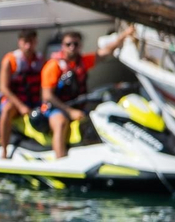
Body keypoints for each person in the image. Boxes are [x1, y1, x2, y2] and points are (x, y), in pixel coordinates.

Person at [40, 26, 135, 158]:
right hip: (56, 108)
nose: (72, 47)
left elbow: (105, 52)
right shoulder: (53, 66)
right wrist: (69, 111)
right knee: (61, 124)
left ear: (80, 45)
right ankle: (59, 158)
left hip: (77, 105)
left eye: (75, 44)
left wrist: (124, 35)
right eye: (68, 44)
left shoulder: (82, 62)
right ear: (63, 46)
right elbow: (47, 96)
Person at [0, 28, 43, 159]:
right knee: (7, 111)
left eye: (32, 42)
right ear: (20, 42)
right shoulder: (10, 60)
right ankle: (4, 151)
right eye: (25, 42)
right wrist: (21, 106)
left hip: (33, 100)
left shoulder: (39, 60)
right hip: (15, 100)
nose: (28, 46)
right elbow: (4, 88)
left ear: (36, 42)